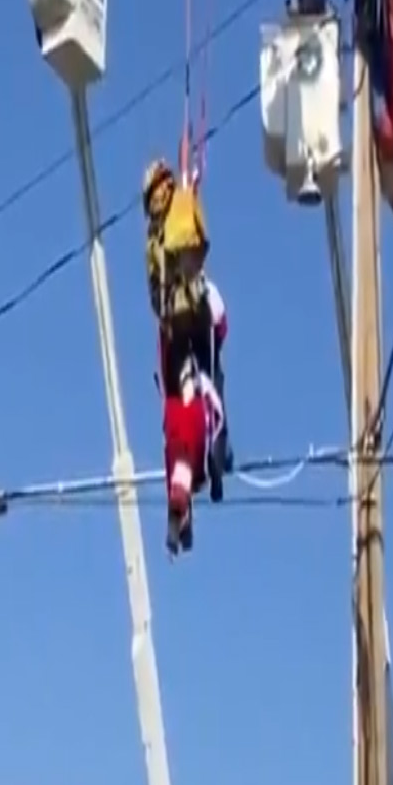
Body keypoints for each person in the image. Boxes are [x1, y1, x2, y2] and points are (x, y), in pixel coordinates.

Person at [141, 162, 232, 553]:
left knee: (178, 421)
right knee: (200, 400)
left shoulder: (155, 237)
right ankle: (208, 463)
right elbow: (220, 323)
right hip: (192, 330)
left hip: (171, 334)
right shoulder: (180, 214)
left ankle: (181, 497)